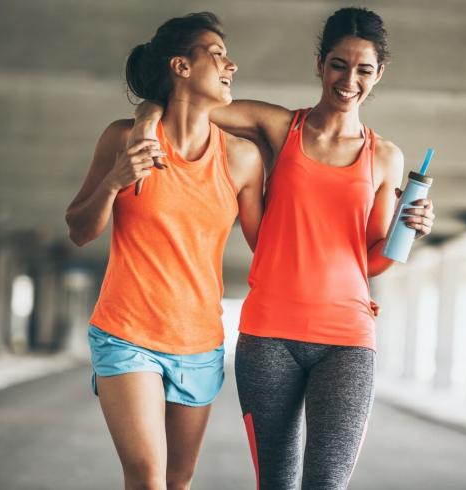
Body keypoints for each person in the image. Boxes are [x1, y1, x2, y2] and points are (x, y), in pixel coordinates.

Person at [130, 7, 435, 489]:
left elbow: (372, 260)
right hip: (268, 335)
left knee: (326, 483)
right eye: (338, 64)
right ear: (319, 63)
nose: (349, 80)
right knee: (276, 482)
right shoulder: (278, 127)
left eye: (364, 70)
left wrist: (408, 233)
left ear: (380, 74)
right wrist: (147, 116)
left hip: (347, 340)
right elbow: (189, 102)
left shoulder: (386, 157)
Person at [65, 12, 264, 490]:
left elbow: (269, 246)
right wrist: (115, 182)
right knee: (148, 479)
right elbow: (79, 229)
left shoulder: (242, 158)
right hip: (126, 333)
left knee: (178, 483)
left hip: (199, 343)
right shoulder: (122, 138)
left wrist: (355, 271)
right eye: (216, 54)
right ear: (181, 65)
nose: (230, 64)